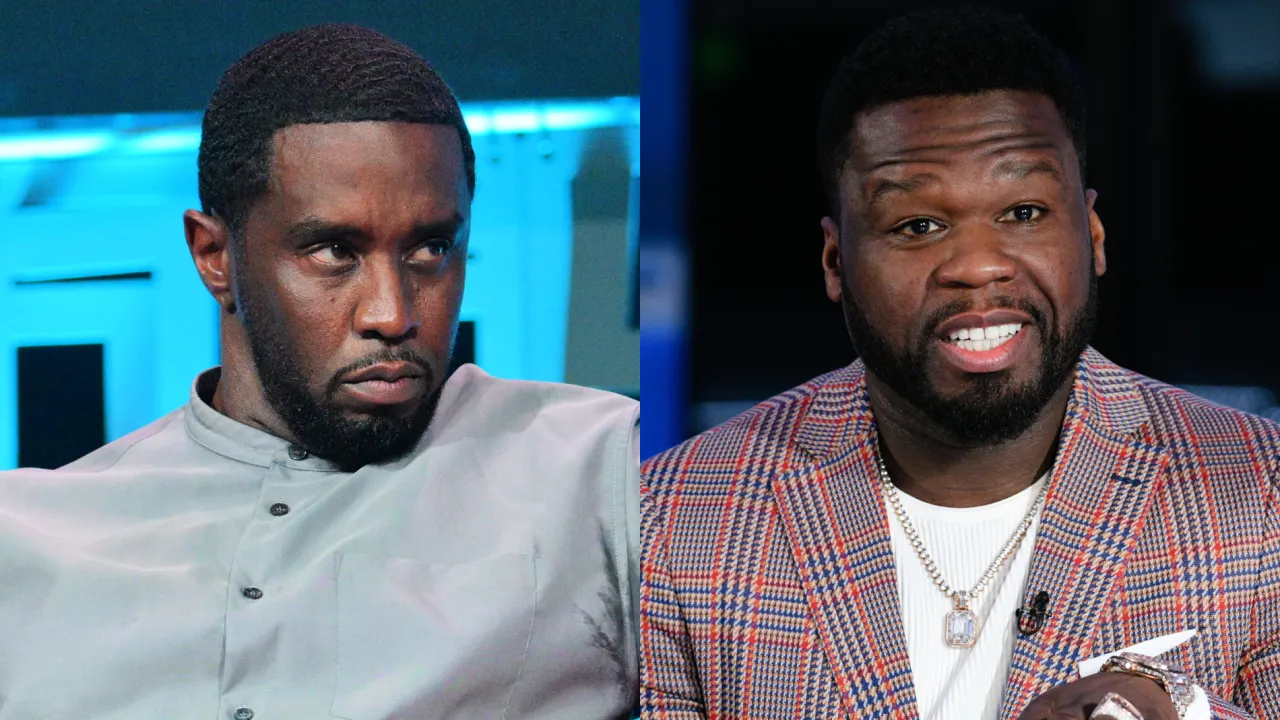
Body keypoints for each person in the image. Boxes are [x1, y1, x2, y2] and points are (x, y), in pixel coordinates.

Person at [640, 8, 1277, 720]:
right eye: (919, 226)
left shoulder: (1262, 490)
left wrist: (1182, 711)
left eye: (1024, 213)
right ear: (835, 261)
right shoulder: (672, 518)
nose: (976, 266)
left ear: (1092, 234)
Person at [0, 24, 639, 719]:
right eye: (334, 251)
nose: (392, 314)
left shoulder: (599, 466)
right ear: (215, 257)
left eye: (431, 247)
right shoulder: (28, 536)